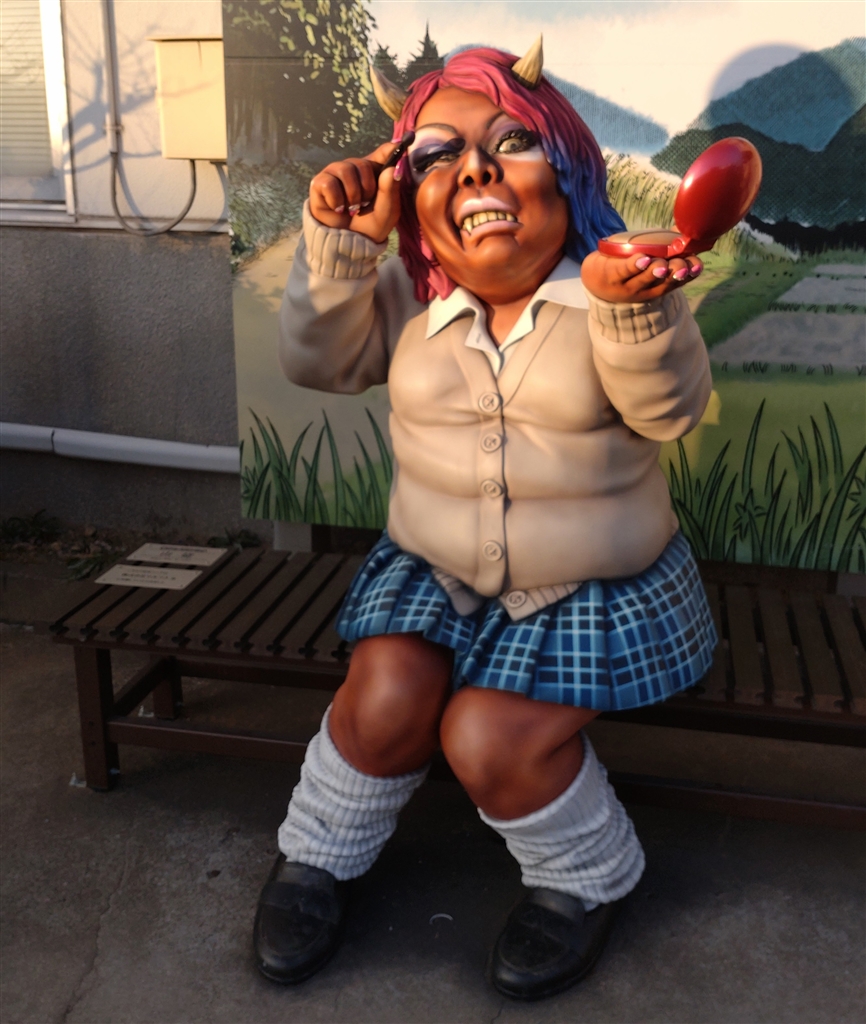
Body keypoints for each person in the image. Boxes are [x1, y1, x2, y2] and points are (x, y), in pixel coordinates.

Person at [253, 40, 716, 1001]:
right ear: (410, 192)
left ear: (568, 166)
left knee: (488, 737)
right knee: (383, 697)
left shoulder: (606, 293)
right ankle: (317, 853)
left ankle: (584, 879)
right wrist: (341, 244)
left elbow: (669, 411)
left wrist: (633, 319)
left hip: (591, 585)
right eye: (435, 155)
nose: (473, 171)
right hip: (436, 568)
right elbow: (318, 362)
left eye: (512, 143)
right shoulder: (410, 300)